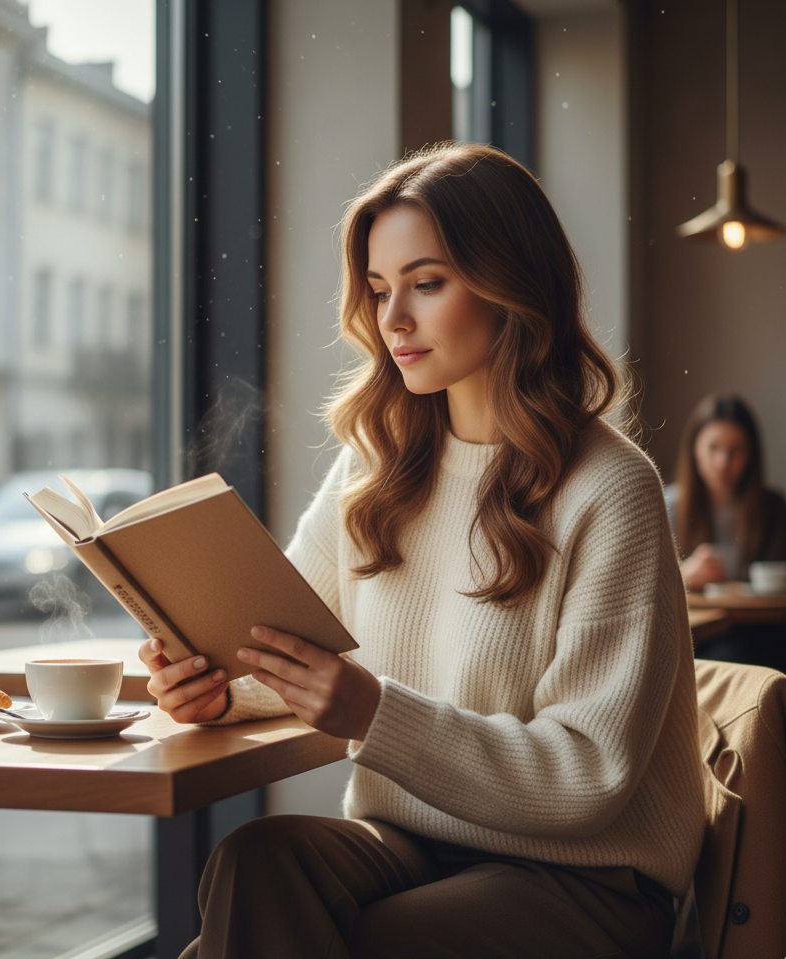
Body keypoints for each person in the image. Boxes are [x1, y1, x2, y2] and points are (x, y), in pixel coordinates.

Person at [140, 143, 704, 959]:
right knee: (254, 860)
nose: (391, 319)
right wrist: (215, 688)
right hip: (410, 845)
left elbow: (585, 776)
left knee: (344, 939)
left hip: (586, 880)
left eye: (425, 283)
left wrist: (373, 711)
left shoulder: (610, 488)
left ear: (511, 284)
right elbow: (294, 650)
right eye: (377, 290)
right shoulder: (374, 465)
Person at [665, 393, 786, 670]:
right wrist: (684, 575)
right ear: (694, 449)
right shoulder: (669, 505)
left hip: (761, 632)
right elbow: (643, 586)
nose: (722, 462)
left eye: (736, 451)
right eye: (713, 448)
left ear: (751, 454)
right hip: (697, 633)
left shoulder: (772, 508)